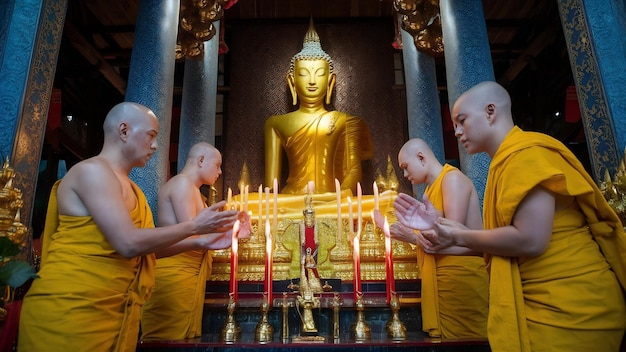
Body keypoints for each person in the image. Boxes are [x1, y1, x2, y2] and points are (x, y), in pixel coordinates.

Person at [394, 81, 626, 352]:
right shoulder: (501, 167)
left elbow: (531, 240)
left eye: (462, 121)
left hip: (574, 303)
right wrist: (437, 227)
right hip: (539, 302)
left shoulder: (527, 154)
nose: (456, 132)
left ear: (490, 112)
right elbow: (493, 242)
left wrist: (455, 233)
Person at [18, 102, 243, 352]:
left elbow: (145, 250)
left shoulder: (133, 190)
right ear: (124, 131)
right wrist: (194, 227)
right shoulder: (93, 172)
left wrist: (203, 241)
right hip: (72, 308)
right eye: (151, 136)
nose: (156, 146)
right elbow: (127, 243)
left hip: (114, 310)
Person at [375, 138, 488, 339]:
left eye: (406, 167)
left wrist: (412, 237)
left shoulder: (451, 179)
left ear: (421, 157)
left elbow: (455, 238)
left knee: (467, 344)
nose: (404, 174)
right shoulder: (430, 190)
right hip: (443, 281)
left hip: (461, 281)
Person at [141, 142, 250, 340]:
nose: (219, 171)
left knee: (185, 340)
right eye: (217, 165)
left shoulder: (197, 193)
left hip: (189, 271)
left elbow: (201, 234)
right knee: (166, 341)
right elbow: (192, 234)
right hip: (175, 270)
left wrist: (232, 227)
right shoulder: (182, 183)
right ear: (200, 160)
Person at [264, 19, 373, 194]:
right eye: (304, 74)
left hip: (331, 199)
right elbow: (271, 187)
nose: (312, 81)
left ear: (331, 80)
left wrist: (341, 194)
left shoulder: (346, 121)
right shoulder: (275, 124)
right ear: (292, 80)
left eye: (320, 74)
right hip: (291, 201)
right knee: (246, 202)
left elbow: (353, 171)